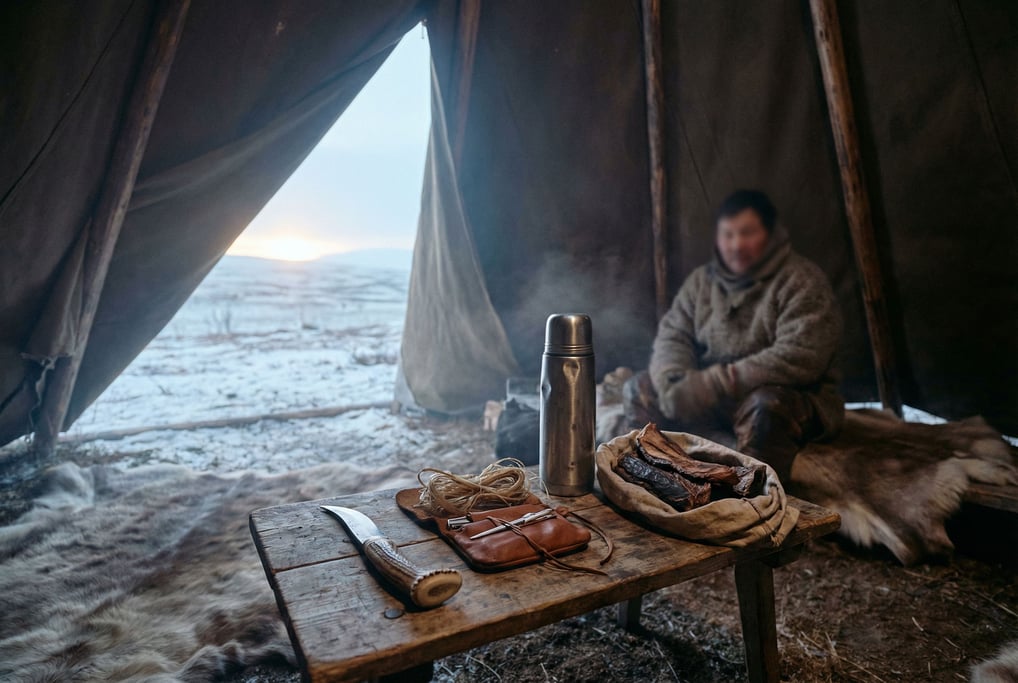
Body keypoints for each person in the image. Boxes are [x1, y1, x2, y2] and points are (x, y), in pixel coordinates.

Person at [624, 189, 844, 480]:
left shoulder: (802, 281)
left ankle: (752, 494)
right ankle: (655, 481)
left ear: (770, 234)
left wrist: (717, 382)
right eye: (727, 234)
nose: (736, 244)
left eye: (747, 233)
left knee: (766, 407)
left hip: (785, 401)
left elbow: (802, 356)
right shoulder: (701, 283)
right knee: (640, 388)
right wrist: (672, 381)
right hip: (714, 404)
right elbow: (673, 335)